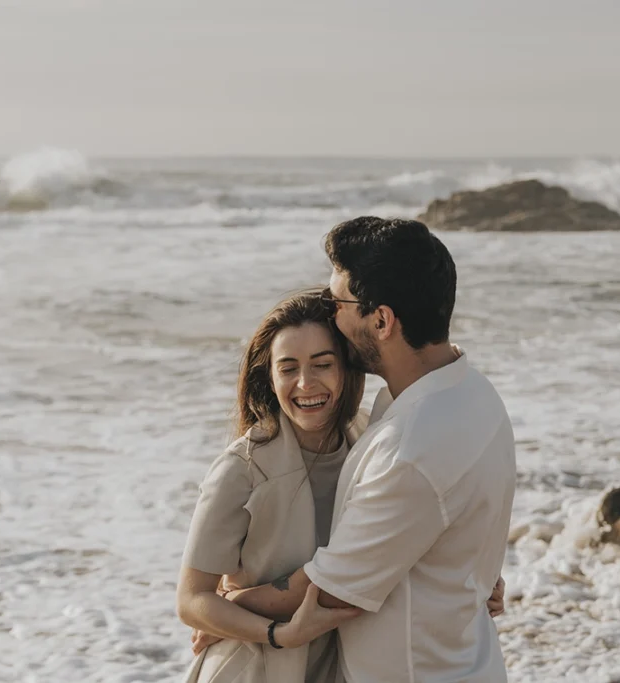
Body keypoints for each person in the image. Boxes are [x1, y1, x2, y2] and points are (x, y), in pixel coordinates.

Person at [214, 217, 517, 682]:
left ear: (381, 319)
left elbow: (331, 590)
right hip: (465, 659)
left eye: (338, 303)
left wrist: (226, 611)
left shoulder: (414, 448)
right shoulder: (472, 394)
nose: (331, 314)